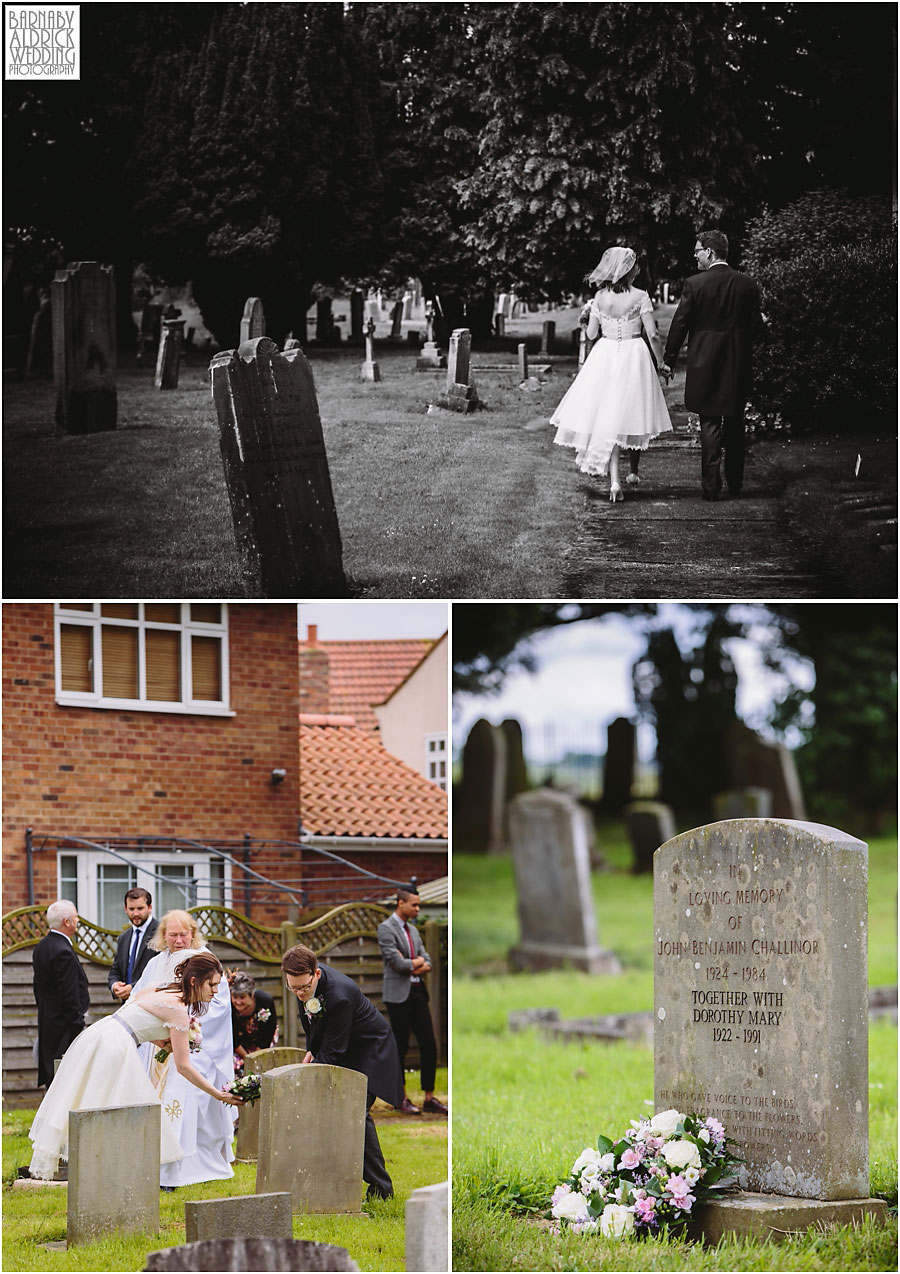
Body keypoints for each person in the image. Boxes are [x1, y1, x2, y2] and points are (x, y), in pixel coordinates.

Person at [28, 951, 243, 1180]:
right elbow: (184, 1067)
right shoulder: (179, 1010)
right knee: (118, 1106)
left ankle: (97, 1168)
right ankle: (104, 1170)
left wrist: (160, 1042)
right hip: (117, 1046)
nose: (216, 991)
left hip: (103, 1032)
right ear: (194, 981)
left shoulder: (161, 988)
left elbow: (136, 1017)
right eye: (212, 985)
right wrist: (218, 1094)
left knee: (93, 1100)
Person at [283, 944, 403, 1201]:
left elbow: (335, 1050)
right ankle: (334, 1174)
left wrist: (311, 1073)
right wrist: (312, 1050)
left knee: (355, 1113)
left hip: (371, 1050)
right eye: (293, 988)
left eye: (303, 988)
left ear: (316, 973)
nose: (300, 993)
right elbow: (312, 1022)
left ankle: (382, 1189)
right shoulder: (301, 983)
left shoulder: (339, 995)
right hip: (346, 1047)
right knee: (334, 1110)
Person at [551, 246, 672, 500]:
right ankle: (631, 472)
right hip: (634, 355)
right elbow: (652, 334)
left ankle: (617, 480)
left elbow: (592, 334)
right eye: (634, 266)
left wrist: (586, 319)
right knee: (633, 410)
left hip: (605, 355)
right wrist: (660, 362)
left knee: (611, 414)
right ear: (628, 270)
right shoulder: (640, 296)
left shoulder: (599, 298)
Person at [130, 910, 238, 1188]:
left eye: (183, 934)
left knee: (186, 1103)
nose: (178, 940)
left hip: (194, 1046)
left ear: (193, 933)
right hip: (159, 1047)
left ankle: (187, 1164)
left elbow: (217, 1002)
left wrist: (187, 1027)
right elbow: (141, 996)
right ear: (163, 935)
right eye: (172, 934)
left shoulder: (205, 960)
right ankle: (157, 1164)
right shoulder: (156, 963)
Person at [661, 229, 763, 501]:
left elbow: (680, 324)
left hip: (704, 361)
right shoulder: (747, 284)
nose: (694, 255)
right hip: (736, 362)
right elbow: (757, 328)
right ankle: (736, 483)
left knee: (709, 422)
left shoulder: (695, 284)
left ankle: (710, 487)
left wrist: (669, 359)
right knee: (735, 422)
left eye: (697, 251)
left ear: (710, 252)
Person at [377, 889, 446, 1116]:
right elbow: (397, 963)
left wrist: (413, 962)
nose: (418, 910)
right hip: (398, 995)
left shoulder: (414, 931)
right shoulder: (386, 929)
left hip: (418, 992)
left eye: (419, 905)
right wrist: (414, 963)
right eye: (414, 905)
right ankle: (401, 1098)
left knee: (429, 1044)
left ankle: (428, 1098)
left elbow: (428, 962)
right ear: (400, 903)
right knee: (400, 1047)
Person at [32, 900, 91, 1088]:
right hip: (64, 1028)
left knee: (53, 1078)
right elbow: (69, 994)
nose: (77, 920)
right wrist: (77, 1025)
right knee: (65, 1080)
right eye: (75, 917)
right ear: (67, 922)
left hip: (48, 1022)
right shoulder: (63, 951)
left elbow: (38, 988)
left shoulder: (43, 946)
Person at [108, 887, 159, 1002]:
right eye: (131, 909)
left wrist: (133, 988)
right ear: (125, 909)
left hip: (151, 1004)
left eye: (140, 908)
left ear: (149, 907)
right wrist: (114, 985)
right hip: (126, 1006)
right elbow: (115, 970)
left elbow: (160, 973)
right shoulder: (124, 937)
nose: (135, 913)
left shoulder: (162, 933)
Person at [230, 972, 278, 1069]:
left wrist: (256, 1057)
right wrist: (248, 1059)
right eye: (235, 997)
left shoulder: (265, 1001)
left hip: (262, 1042)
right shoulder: (228, 1006)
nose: (238, 1002)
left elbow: (269, 1030)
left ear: (252, 995)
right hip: (237, 1046)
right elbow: (232, 1036)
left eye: (242, 997)